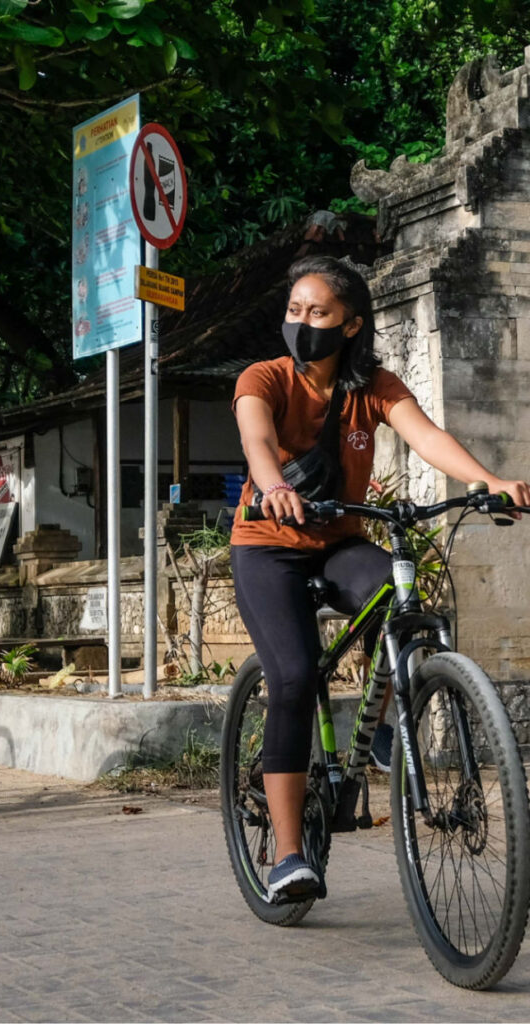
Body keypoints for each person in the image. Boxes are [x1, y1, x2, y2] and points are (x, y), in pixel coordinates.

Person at [231, 255, 530, 902]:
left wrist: (489, 482)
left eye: (318, 313)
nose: (301, 322)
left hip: (339, 540)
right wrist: (274, 485)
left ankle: (377, 731)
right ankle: (288, 855)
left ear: (350, 326)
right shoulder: (266, 377)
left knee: (406, 596)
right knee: (293, 675)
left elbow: (427, 437)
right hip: (267, 546)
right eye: (294, 310)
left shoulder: (375, 386)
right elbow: (257, 442)